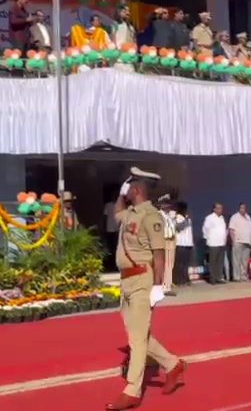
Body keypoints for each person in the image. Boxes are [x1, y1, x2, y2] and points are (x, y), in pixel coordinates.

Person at [106, 167, 186, 410]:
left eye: (129, 186)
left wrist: (158, 286)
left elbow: (159, 254)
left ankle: (132, 390)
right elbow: (116, 213)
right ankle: (172, 364)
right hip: (127, 281)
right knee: (137, 333)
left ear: (138, 190)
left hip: (142, 279)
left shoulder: (151, 216)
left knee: (137, 340)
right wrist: (121, 194)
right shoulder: (131, 212)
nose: (126, 190)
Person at [229, 203, 251, 282]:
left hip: (247, 242)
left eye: (244, 208)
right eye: (241, 208)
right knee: (237, 261)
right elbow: (231, 230)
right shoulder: (234, 217)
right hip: (238, 241)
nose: (242, 209)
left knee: (245, 261)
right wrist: (234, 241)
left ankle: (243, 276)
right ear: (239, 208)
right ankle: (237, 277)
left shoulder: (248, 217)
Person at [203, 203, 227, 284]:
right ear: (214, 209)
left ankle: (219, 277)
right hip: (213, 243)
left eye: (221, 208)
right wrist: (209, 239)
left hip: (221, 242)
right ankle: (212, 279)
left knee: (220, 262)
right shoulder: (209, 218)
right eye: (219, 208)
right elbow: (205, 229)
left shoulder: (222, 218)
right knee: (213, 262)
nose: (220, 210)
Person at [157, 195, 177, 296]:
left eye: (168, 204)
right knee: (164, 264)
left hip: (171, 240)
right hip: (164, 240)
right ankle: (163, 287)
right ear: (161, 205)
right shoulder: (158, 215)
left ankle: (168, 285)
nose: (168, 206)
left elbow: (173, 227)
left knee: (170, 264)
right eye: (165, 204)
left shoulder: (169, 215)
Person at [174, 202, 193, 286]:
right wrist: (186, 219)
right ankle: (179, 280)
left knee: (186, 264)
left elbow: (189, 233)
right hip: (180, 244)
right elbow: (178, 228)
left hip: (188, 244)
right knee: (179, 264)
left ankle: (185, 279)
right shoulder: (177, 218)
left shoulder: (188, 219)